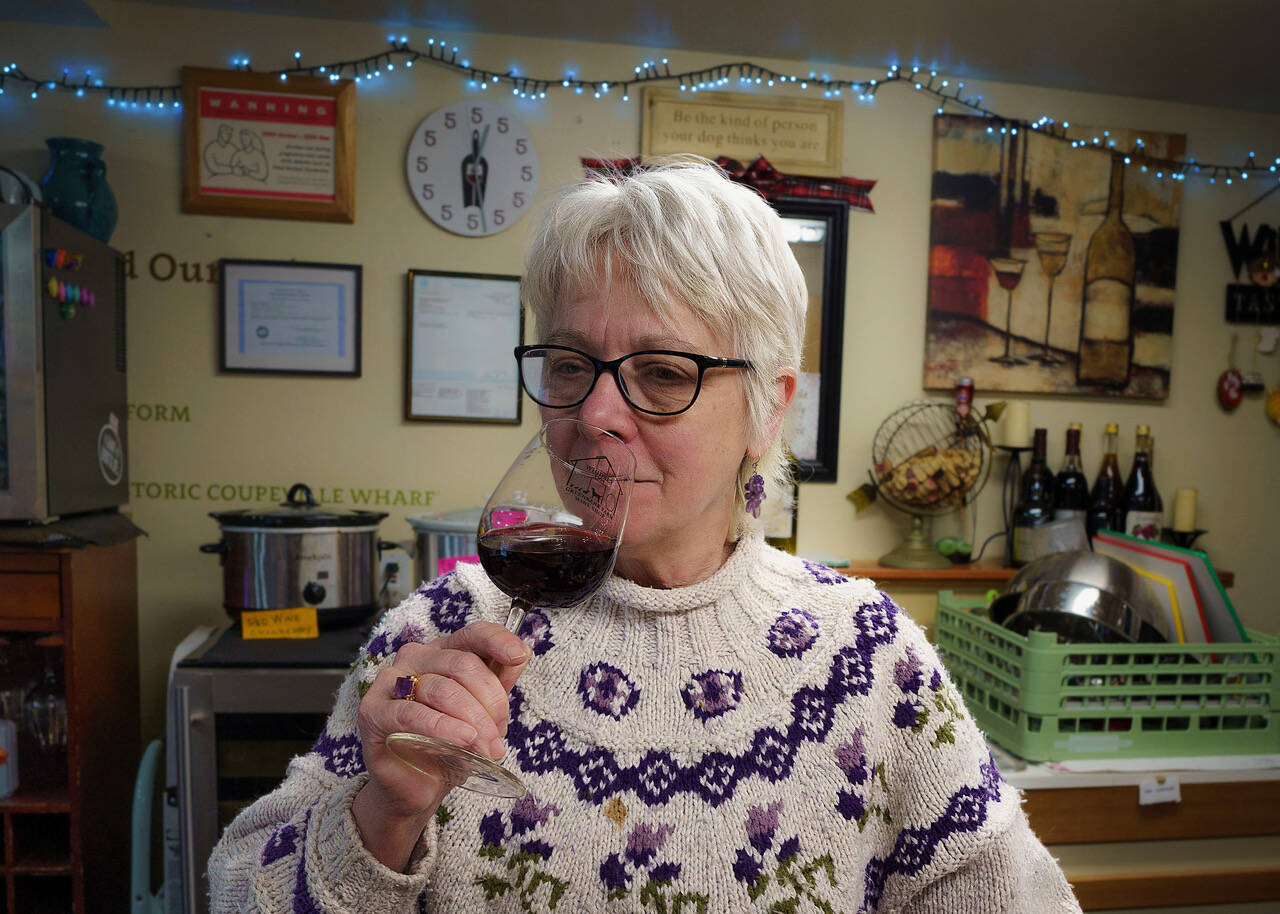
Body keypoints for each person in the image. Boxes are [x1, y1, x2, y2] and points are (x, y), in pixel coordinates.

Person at [209, 157, 1081, 912]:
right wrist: (381, 816)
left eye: (662, 373)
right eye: (568, 366)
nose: (593, 416)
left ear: (767, 411)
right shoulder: (438, 634)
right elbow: (236, 889)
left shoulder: (865, 657)